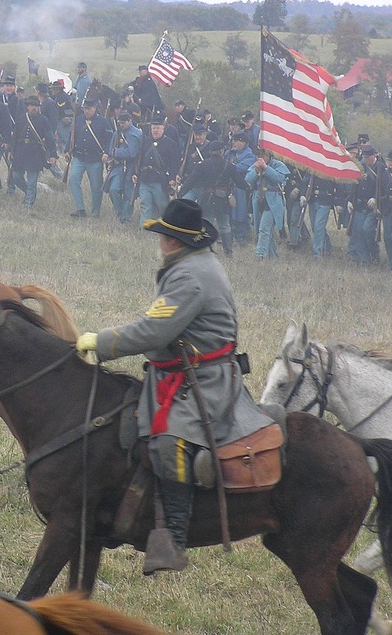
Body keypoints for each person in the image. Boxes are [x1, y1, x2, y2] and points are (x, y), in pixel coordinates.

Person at [75, 199, 271, 574]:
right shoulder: (194, 264)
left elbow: (153, 330)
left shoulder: (189, 276)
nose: (160, 241)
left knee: (168, 442)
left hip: (203, 380)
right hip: (182, 372)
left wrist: (99, 341)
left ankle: (174, 538)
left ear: (173, 241)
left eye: (163, 235)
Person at [67, 99, 113, 218]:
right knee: (73, 180)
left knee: (96, 186)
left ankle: (95, 212)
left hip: (95, 158)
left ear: (95, 109)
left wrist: (106, 153)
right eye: (85, 108)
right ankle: (80, 209)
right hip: (79, 156)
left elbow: (110, 139)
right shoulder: (79, 119)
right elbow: (72, 135)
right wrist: (68, 150)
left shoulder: (103, 122)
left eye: (89, 108)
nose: (86, 111)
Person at [9, 96, 56, 209]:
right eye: (32, 106)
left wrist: (53, 154)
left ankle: (29, 202)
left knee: (32, 181)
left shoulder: (43, 120)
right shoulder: (21, 119)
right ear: (27, 107)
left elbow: (50, 138)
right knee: (16, 177)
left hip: (35, 152)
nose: (34, 108)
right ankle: (29, 193)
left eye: (35, 106)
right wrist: (12, 151)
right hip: (21, 151)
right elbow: (15, 136)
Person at [246, 148, 289, 260]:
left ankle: (259, 254)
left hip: (273, 200)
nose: (261, 157)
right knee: (265, 230)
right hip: (258, 199)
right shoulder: (255, 165)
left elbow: (278, 179)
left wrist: (266, 168)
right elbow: (248, 180)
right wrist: (256, 170)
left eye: (264, 155)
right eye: (259, 155)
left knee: (264, 229)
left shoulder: (278, 165)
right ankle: (273, 256)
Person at [135, 115, 179, 226]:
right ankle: (144, 228)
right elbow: (138, 159)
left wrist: (172, 178)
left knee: (162, 205)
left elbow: (174, 163)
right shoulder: (145, 142)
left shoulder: (170, 144)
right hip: (144, 178)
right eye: (153, 128)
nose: (155, 130)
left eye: (158, 128)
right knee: (145, 205)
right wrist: (135, 173)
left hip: (160, 180)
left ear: (163, 129)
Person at [104, 110, 142, 224]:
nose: (121, 125)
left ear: (130, 120)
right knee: (113, 189)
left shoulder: (137, 134)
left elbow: (132, 153)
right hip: (118, 166)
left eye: (124, 122)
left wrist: (117, 152)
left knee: (129, 193)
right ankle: (119, 213)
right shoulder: (117, 134)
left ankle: (125, 218)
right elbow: (111, 150)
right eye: (120, 123)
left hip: (132, 167)